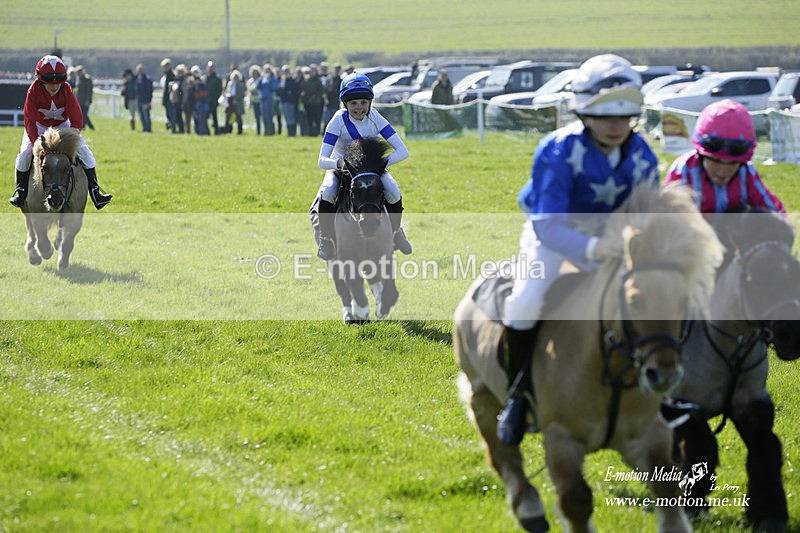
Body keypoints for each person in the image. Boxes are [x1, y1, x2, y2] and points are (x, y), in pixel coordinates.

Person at [497, 54, 659, 446]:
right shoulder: (557, 149)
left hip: (617, 246)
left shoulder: (643, 156)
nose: (617, 126)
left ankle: (664, 389)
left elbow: (651, 217)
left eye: (624, 117)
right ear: (584, 113)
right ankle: (519, 395)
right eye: (606, 117)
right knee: (525, 300)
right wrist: (593, 247)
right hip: (554, 239)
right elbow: (548, 224)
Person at [313, 72, 413, 260]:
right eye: (353, 104)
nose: (359, 108)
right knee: (328, 192)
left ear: (370, 103)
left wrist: (377, 165)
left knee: (393, 191)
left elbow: (403, 151)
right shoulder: (337, 120)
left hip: (371, 169)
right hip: (342, 166)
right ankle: (326, 239)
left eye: (363, 103)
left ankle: (396, 233)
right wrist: (341, 164)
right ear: (345, 104)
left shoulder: (376, 117)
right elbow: (321, 160)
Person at [8, 55, 112, 210]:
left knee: (86, 153)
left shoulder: (66, 89)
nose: (55, 85)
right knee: (24, 155)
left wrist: (73, 136)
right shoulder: (33, 91)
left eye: (59, 80)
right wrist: (36, 142)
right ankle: (21, 191)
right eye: (50, 81)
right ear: (40, 79)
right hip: (39, 128)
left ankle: (96, 191)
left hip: (63, 127)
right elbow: (29, 120)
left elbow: (76, 117)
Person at [663, 99, 785, 214]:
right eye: (715, 160)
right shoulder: (683, 171)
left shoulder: (746, 171)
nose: (723, 171)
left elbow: (778, 216)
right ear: (700, 154)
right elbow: (668, 224)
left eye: (733, 163)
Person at [257, 64, 279, 135]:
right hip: (262, 99)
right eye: (265, 71)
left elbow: (273, 88)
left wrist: (269, 81)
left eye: (268, 70)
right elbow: (258, 87)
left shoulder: (273, 79)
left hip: (269, 99)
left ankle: (270, 132)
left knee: (269, 116)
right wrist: (260, 80)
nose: (266, 72)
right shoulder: (263, 78)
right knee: (264, 116)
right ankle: (266, 131)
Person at [278, 65, 299, 137]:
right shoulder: (281, 80)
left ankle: (292, 133)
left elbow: (292, 90)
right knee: (286, 118)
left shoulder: (291, 80)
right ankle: (289, 133)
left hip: (289, 102)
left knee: (291, 118)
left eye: (286, 71)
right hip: (283, 102)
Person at [73, 65, 94, 130]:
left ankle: (83, 127)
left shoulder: (87, 79)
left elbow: (89, 91)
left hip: (85, 101)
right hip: (79, 101)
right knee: (83, 115)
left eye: (79, 71)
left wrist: (88, 100)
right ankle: (91, 127)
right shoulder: (78, 79)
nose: (78, 73)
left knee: (83, 115)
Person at [134, 64, 154, 133]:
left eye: (140, 70)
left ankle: (148, 128)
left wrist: (149, 101)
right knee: (141, 115)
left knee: (146, 116)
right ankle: (144, 127)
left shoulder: (147, 79)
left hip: (145, 100)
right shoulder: (136, 79)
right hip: (139, 100)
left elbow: (150, 91)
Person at [205, 61, 223, 134]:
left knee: (214, 117)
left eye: (211, 68)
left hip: (213, 101)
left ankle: (216, 131)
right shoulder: (205, 78)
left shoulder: (217, 79)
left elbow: (219, 91)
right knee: (205, 116)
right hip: (206, 101)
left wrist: (215, 99)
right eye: (209, 68)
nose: (210, 69)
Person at [160, 58, 176, 131]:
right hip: (167, 98)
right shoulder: (166, 75)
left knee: (171, 114)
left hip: (170, 98)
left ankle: (173, 128)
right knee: (168, 114)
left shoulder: (171, 75)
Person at [247, 65, 262, 135]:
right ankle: (258, 131)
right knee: (257, 117)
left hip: (260, 100)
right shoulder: (250, 81)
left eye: (255, 72)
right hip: (254, 101)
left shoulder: (260, 80)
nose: (254, 74)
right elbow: (249, 91)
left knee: (261, 116)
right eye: (253, 72)